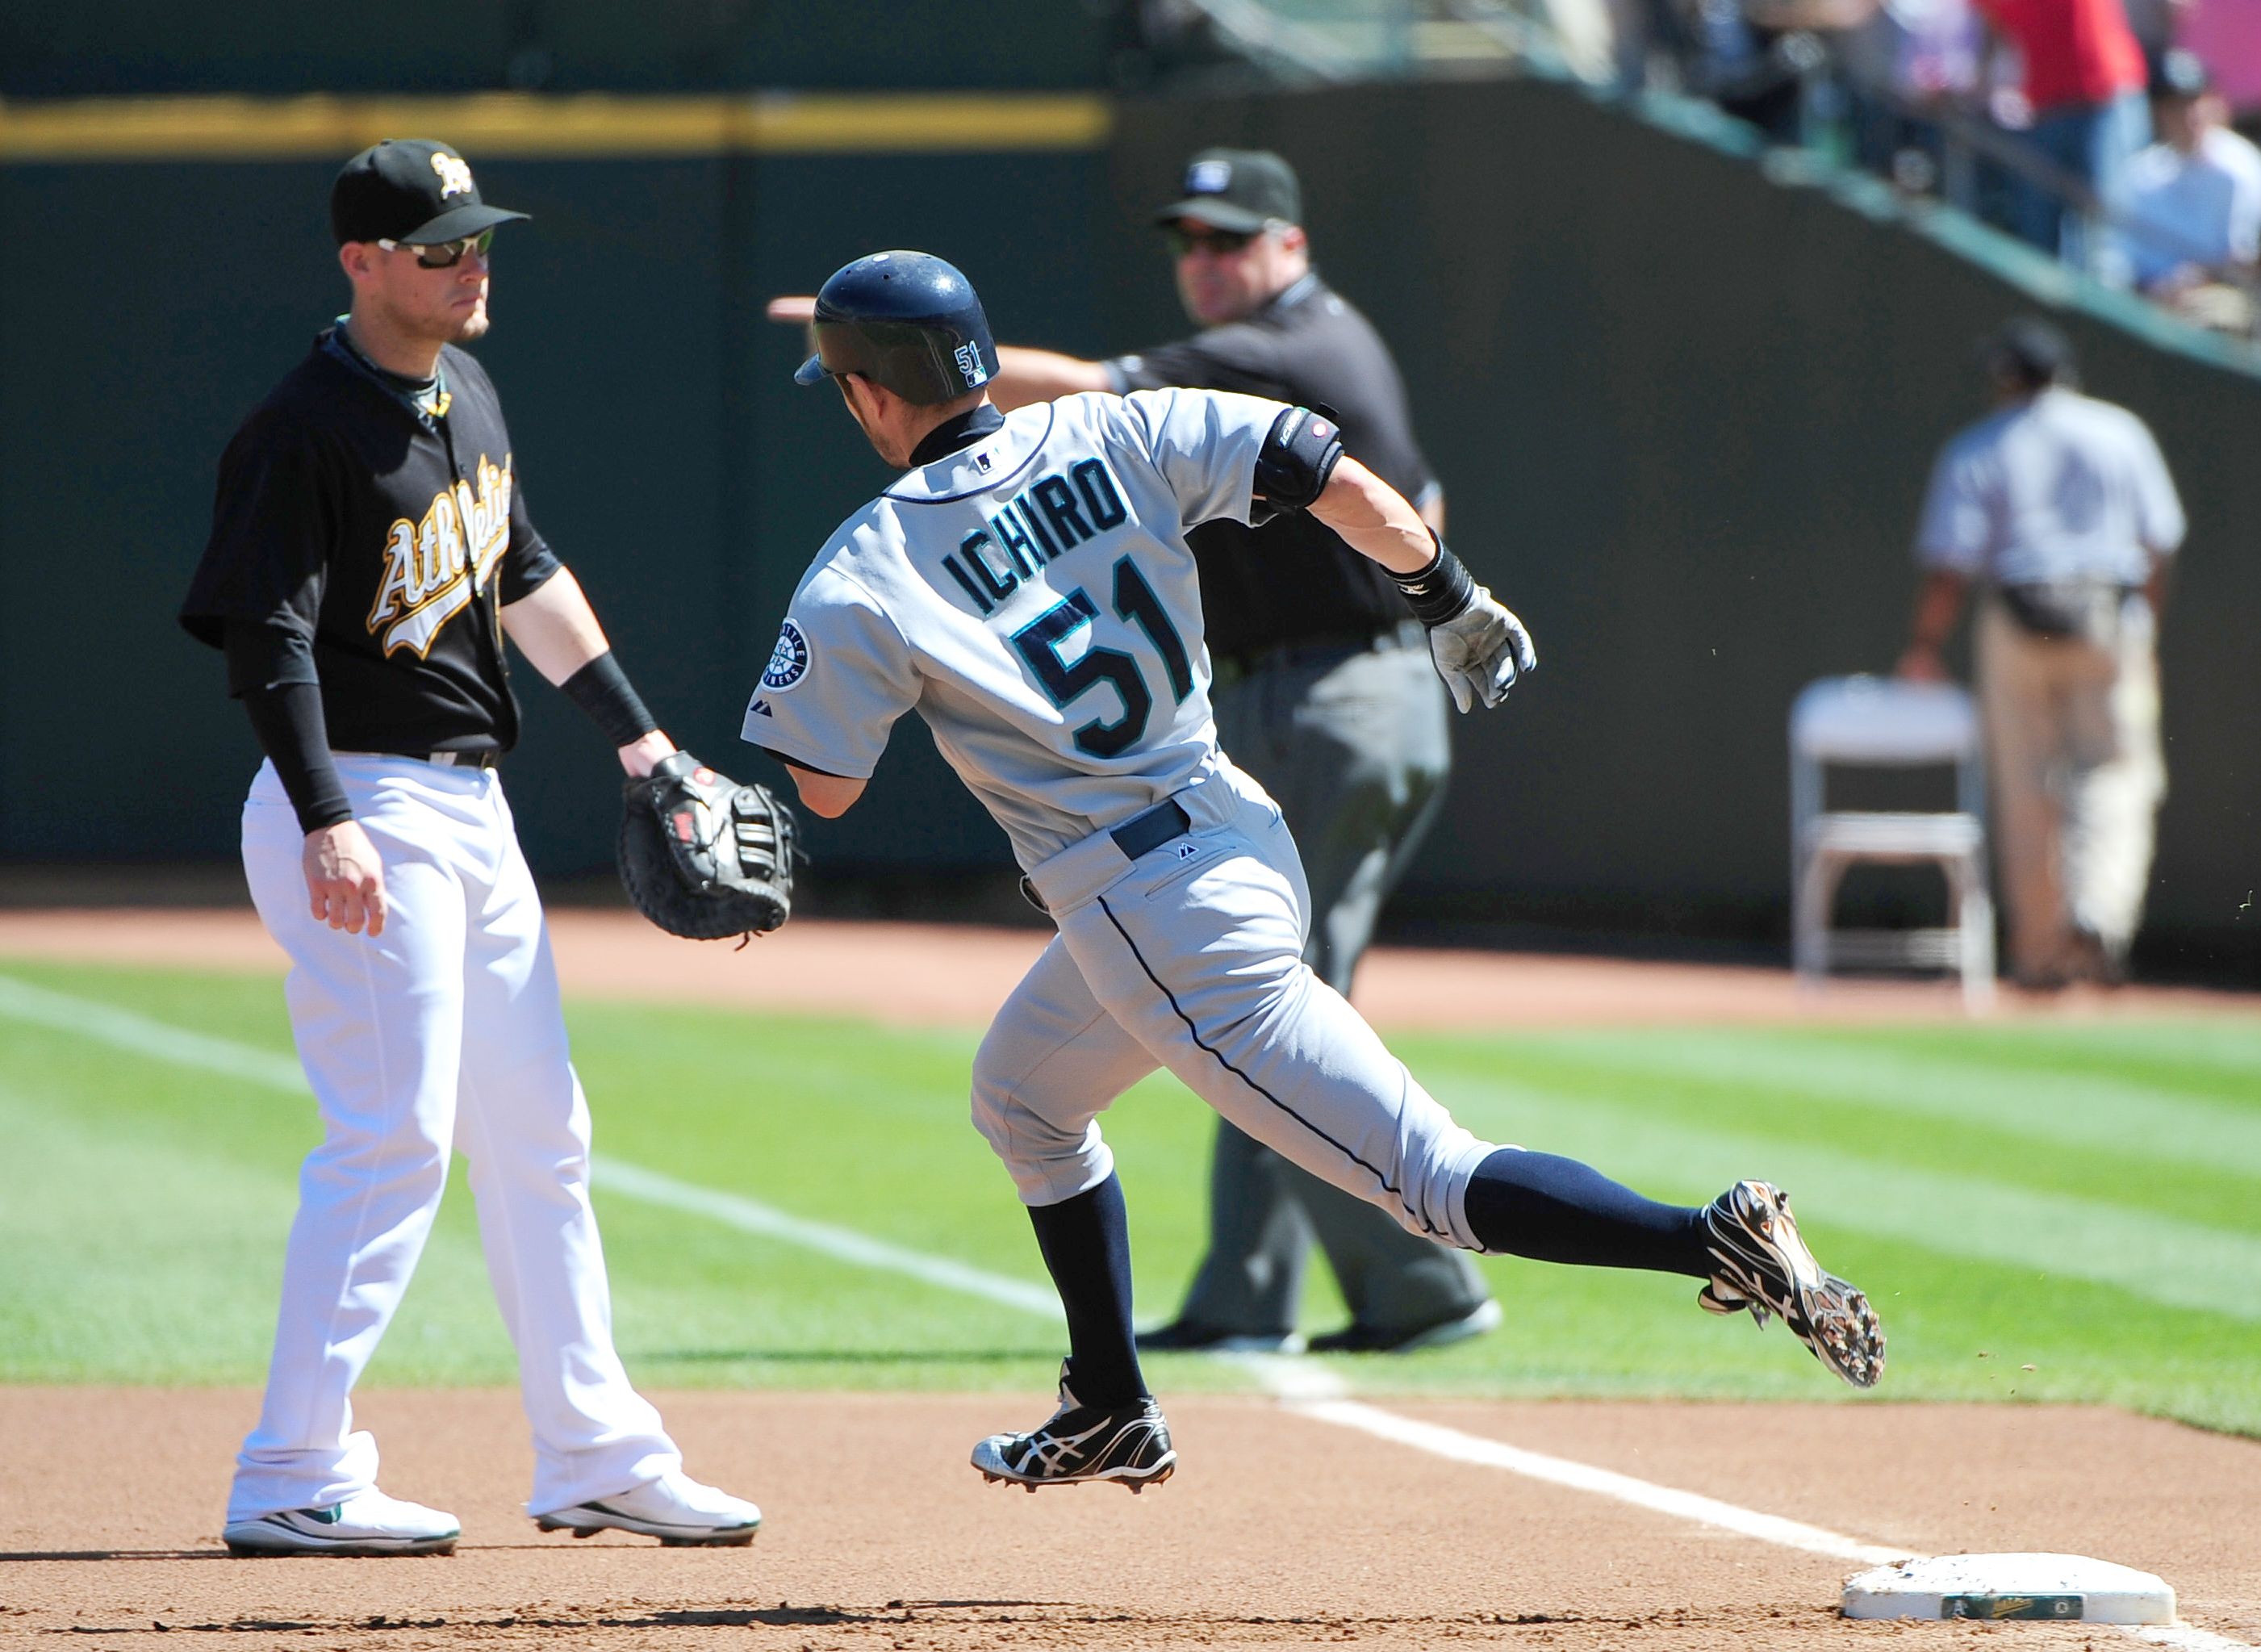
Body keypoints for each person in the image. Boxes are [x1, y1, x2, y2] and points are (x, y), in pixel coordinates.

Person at [746, 249, 1884, 1491]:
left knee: (1431, 1180)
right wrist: (1444, 594)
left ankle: (1709, 1236)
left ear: (867, 396)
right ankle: (1109, 1401)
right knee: (1021, 1097)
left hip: (1152, 912)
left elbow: (825, 787)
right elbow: (1316, 465)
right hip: (1238, 830)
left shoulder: (868, 563)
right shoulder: (1115, 426)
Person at [178, 140, 761, 1556]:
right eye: (435, 248)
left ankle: (595, 1454)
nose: (467, 266)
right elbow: (264, 640)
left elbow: (519, 567)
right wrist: (326, 819)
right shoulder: (301, 427)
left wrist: (646, 743)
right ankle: (292, 1466)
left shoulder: (466, 388)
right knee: (390, 1138)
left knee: (539, 1134)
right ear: (359, 264)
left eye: (476, 242)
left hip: (469, 807)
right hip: (361, 804)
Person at [972, 148, 1497, 1357]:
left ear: (1289, 248)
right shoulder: (1316, 343)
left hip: (1330, 695)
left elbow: (1086, 395)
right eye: (1189, 242)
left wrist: (921, 364)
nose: (1204, 261)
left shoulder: (1285, 346)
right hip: (1320, 690)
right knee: (1260, 1000)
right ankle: (1250, 1293)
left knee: (1263, 1006)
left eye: (1229, 238)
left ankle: (1420, 1286)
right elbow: (1427, 495)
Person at [1896, 318, 2184, 989]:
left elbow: (1949, 566)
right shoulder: (2121, 432)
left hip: (2017, 618)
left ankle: (2040, 948)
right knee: (2112, 772)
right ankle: (2098, 915)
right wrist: (2145, 625)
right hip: (2107, 616)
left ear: (2005, 380)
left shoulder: (1980, 445)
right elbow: (2159, 545)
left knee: (2028, 786)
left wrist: (1923, 645)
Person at [1975, 0, 2152, 266]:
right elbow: (1993, 34)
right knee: (2038, 232)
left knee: (2107, 232)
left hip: (2105, 98)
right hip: (2044, 109)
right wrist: (1987, 87)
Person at [2115, 49, 2261, 328]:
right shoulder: (2140, 174)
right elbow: (2128, 262)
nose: (2190, 115)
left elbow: (2246, 257)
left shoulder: (2243, 166)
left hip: (2228, 296)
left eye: (2196, 102)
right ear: (2159, 113)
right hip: (2155, 303)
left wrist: (2209, 284)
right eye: (2177, 106)